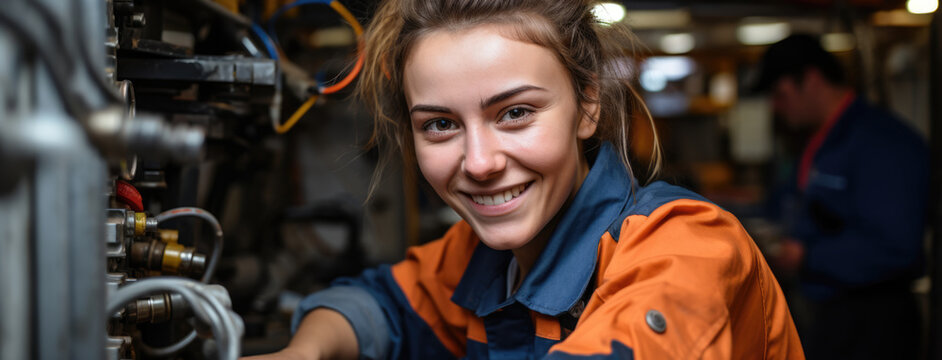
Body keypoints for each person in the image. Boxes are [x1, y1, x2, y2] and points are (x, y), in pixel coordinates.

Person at [248, 1, 803, 359]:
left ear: (587, 105)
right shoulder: (480, 257)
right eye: (440, 124)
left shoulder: (687, 247)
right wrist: (305, 352)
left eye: (514, 113)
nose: (481, 162)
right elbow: (381, 303)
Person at [756, 34, 929, 359]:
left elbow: (897, 247)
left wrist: (807, 256)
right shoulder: (819, 142)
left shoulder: (882, 143)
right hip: (829, 316)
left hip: (876, 324)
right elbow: (792, 207)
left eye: (780, 94)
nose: (775, 107)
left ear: (811, 79)